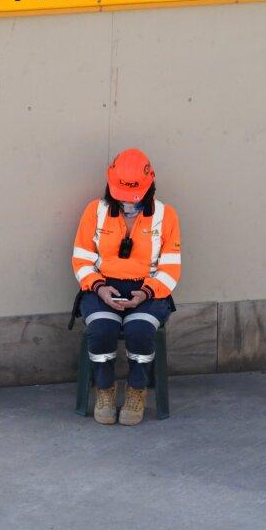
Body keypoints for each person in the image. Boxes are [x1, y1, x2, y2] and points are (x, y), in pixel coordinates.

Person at [71, 149, 181, 425]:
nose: (126, 201)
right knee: (102, 329)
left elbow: (170, 269)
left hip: (149, 291)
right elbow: (81, 259)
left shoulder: (166, 216)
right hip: (101, 287)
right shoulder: (94, 211)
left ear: (149, 186)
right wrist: (98, 287)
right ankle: (105, 389)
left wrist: (145, 293)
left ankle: (137, 389)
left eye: (132, 195)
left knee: (140, 331)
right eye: (120, 194)